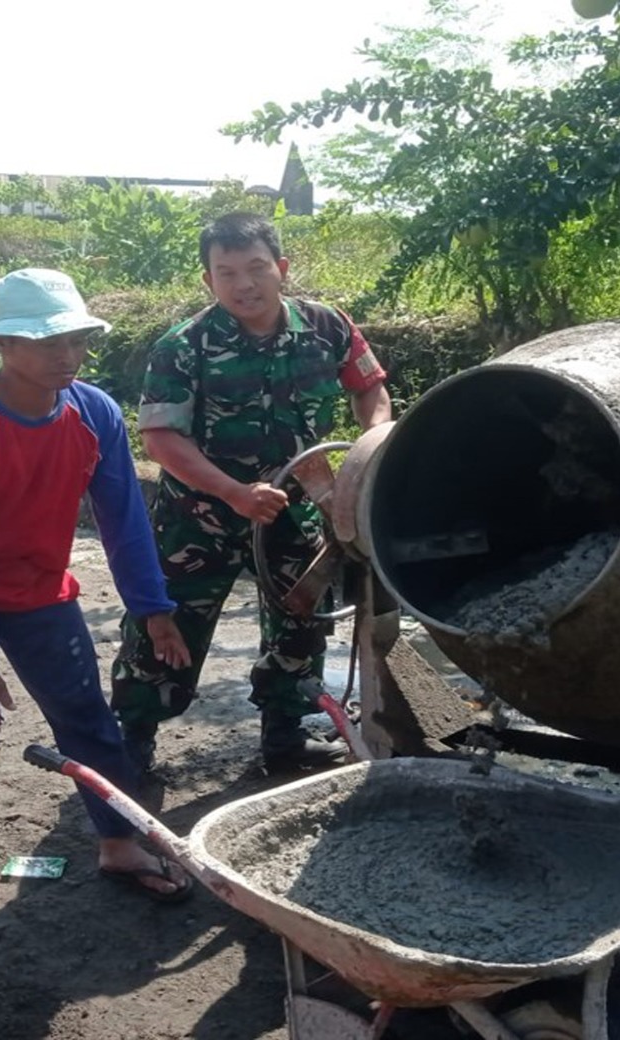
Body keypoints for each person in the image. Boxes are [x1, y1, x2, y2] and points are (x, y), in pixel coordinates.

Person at [0, 267, 194, 913]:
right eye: (45, 341)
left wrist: (153, 608)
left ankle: (118, 840)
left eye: (77, 340)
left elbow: (124, 518)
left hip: (36, 586)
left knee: (88, 717)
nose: (67, 356)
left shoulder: (94, 413)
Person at [111, 212, 393, 774]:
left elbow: (371, 391)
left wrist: (369, 455)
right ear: (208, 281)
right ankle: (134, 738)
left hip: (298, 507)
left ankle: (284, 740)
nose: (244, 284)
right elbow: (162, 438)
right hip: (200, 515)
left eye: (256, 268)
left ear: (281, 269)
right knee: (168, 623)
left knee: (301, 621)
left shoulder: (327, 327)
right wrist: (234, 492)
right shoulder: (183, 345)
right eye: (227, 271)